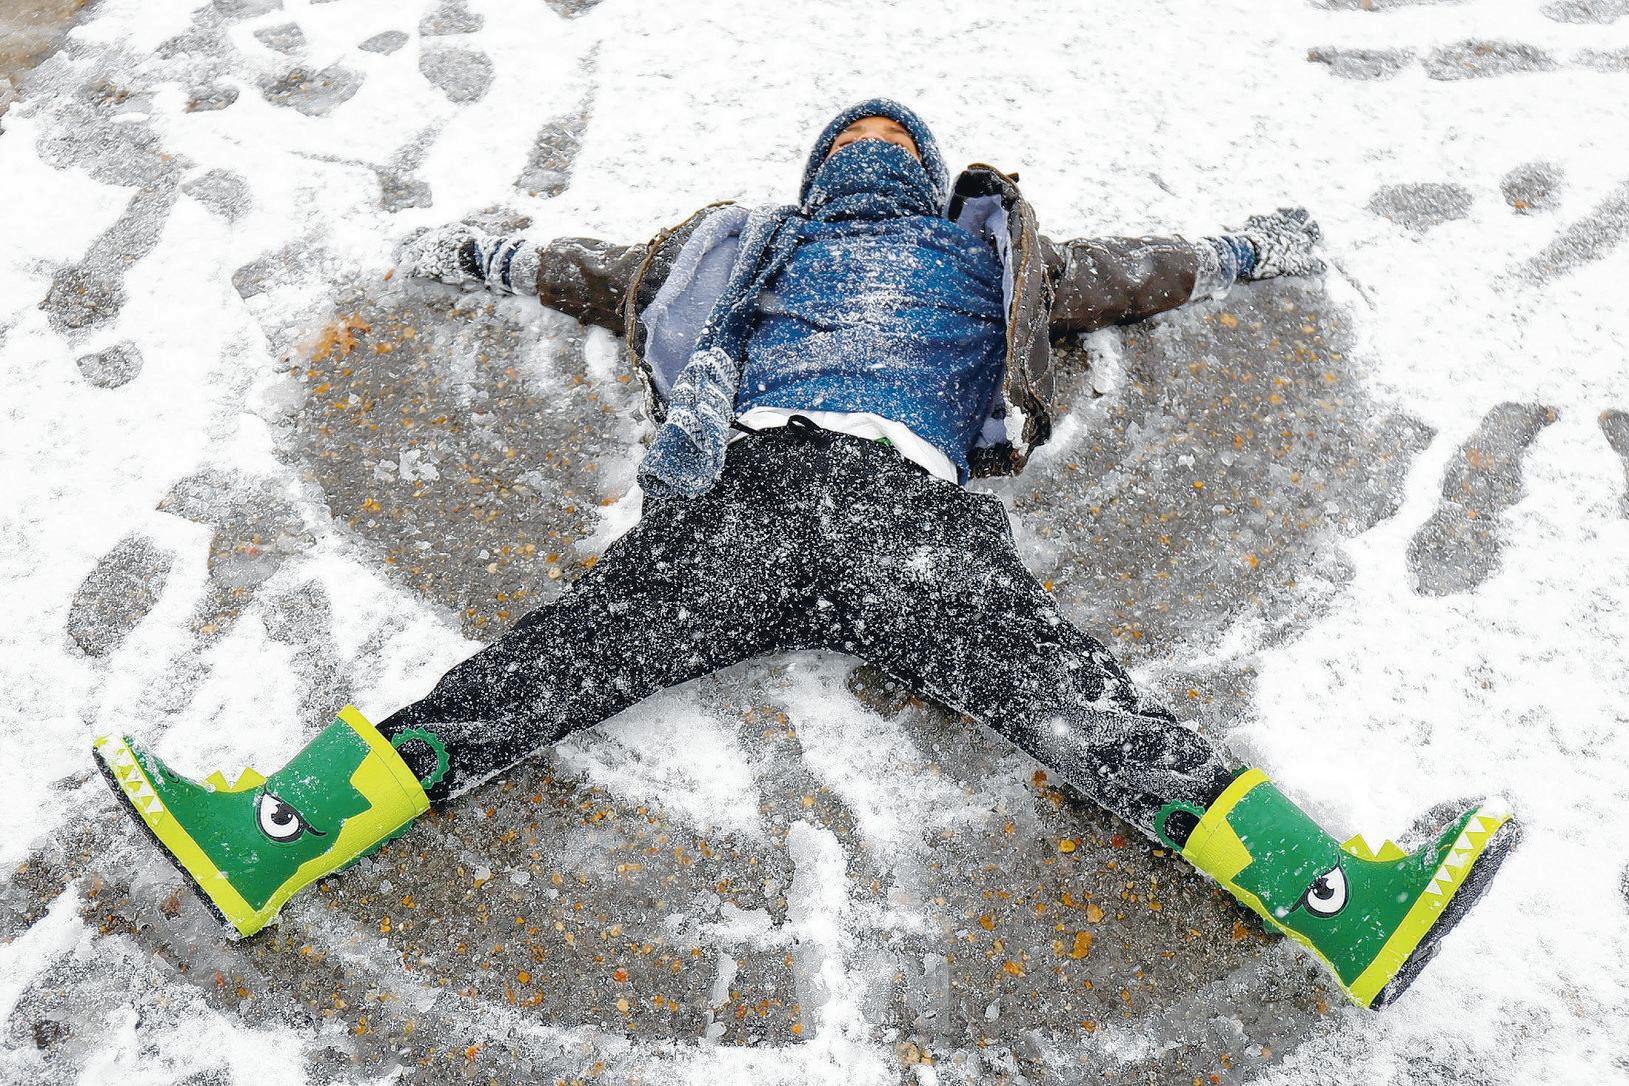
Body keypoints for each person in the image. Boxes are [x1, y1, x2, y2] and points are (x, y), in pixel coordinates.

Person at [93, 99, 1517, 1010]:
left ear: (928, 172)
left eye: (891, 142)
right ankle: (271, 836)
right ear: (819, 173)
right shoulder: (742, 251)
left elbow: (1145, 272)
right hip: (751, 494)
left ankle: (1341, 904)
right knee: (535, 672)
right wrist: (485, 259)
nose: (871, 153)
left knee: (1080, 709)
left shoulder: (995, 253)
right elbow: (598, 274)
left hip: (899, 517)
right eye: (851, 143)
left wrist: (1250, 251)